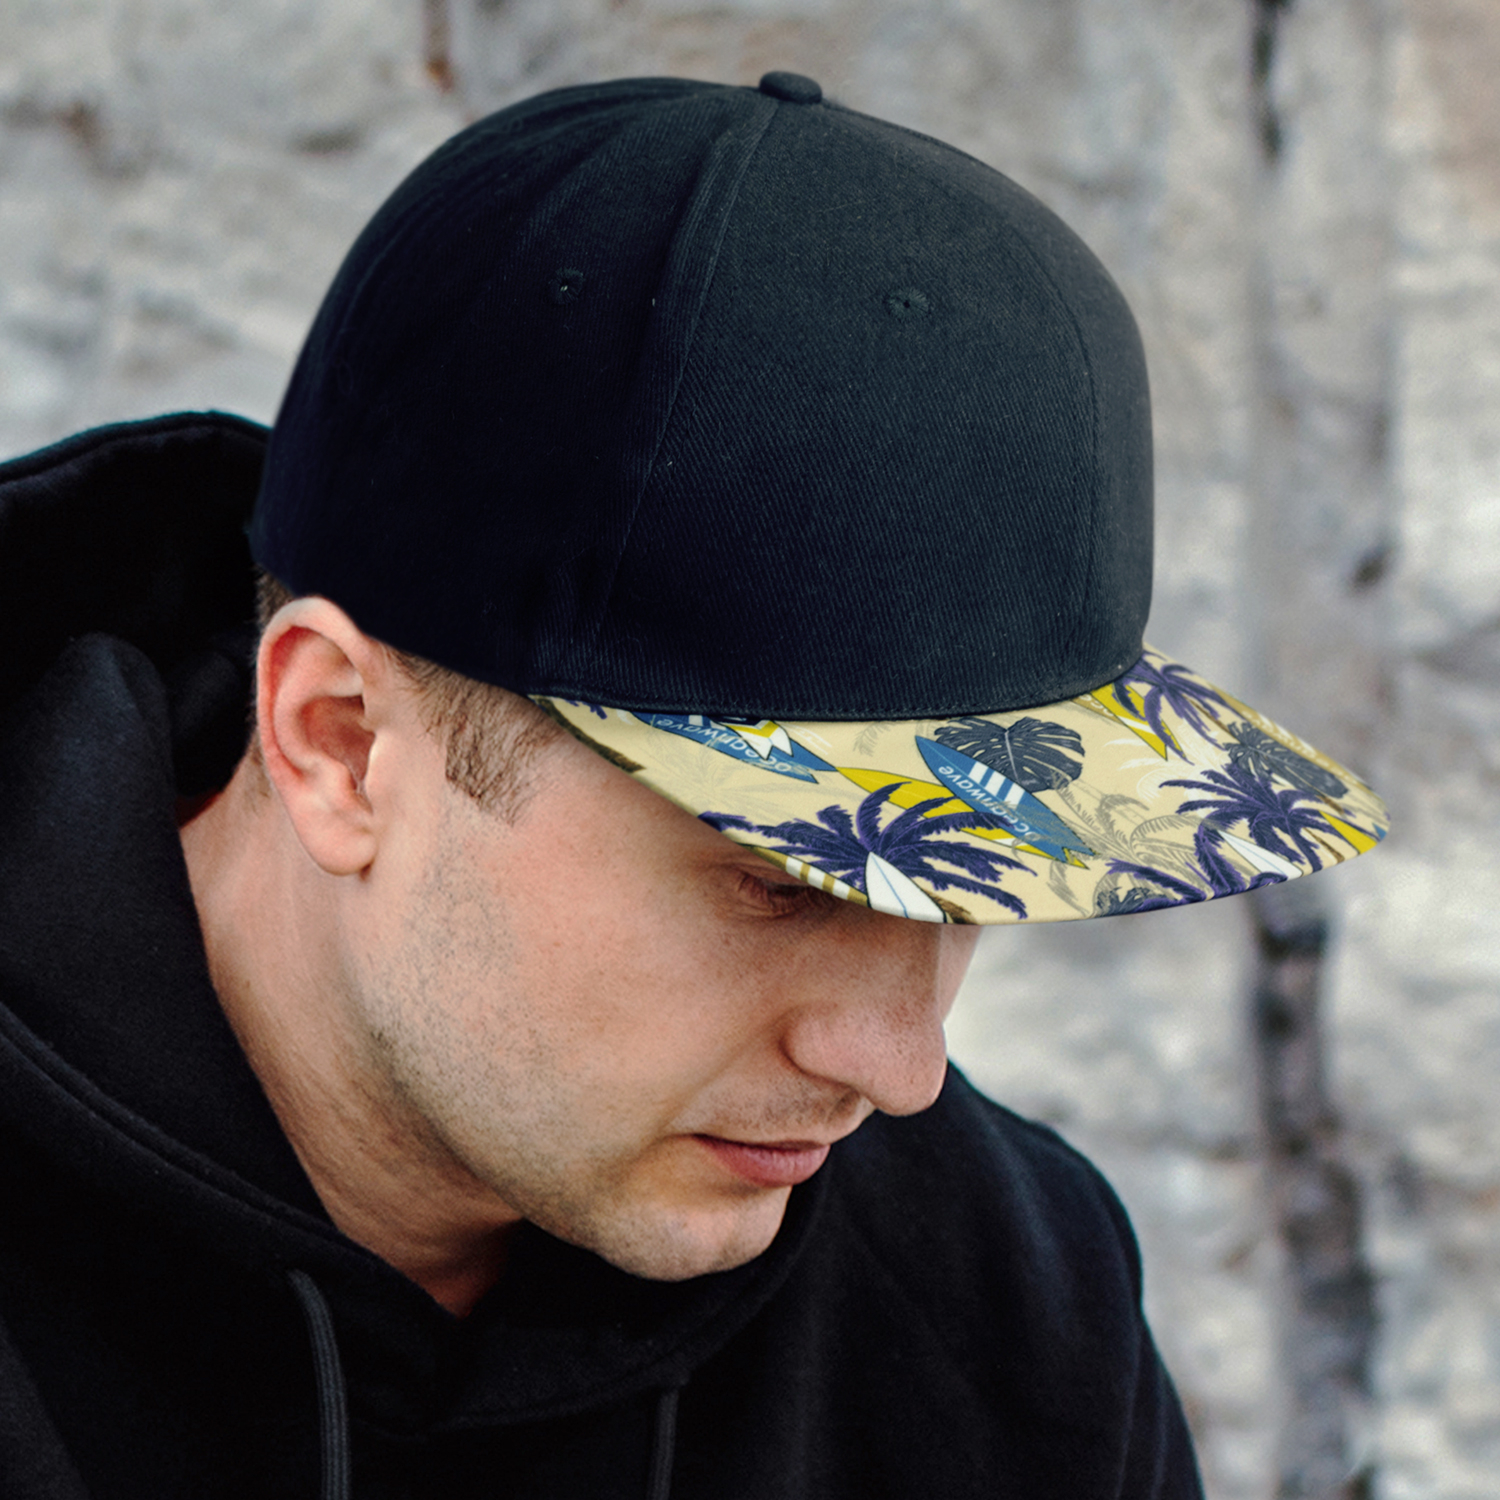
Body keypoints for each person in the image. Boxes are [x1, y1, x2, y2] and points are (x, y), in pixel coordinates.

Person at [0, 73, 1386, 1499]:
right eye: (780, 885)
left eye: (973, 875)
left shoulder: (1004, 1316)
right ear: (342, 743)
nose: (900, 1070)